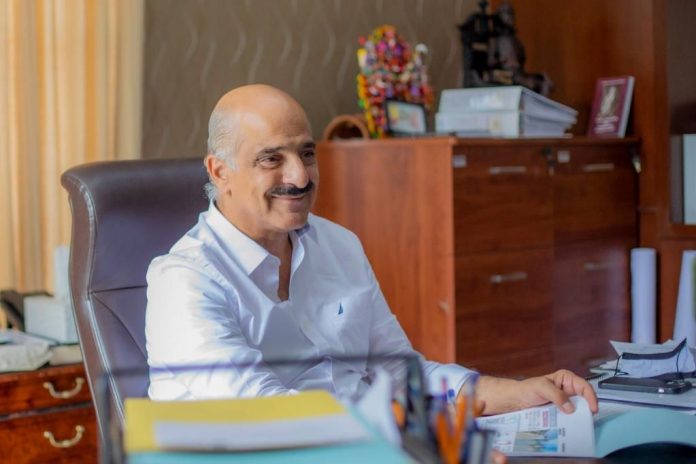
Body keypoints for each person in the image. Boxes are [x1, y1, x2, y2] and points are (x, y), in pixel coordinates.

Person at [145, 84, 598, 420]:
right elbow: (270, 418)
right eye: (272, 159)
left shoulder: (339, 245)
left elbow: (401, 376)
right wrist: (414, 443)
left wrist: (512, 394)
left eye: (307, 154)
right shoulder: (183, 281)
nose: (300, 177)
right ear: (219, 171)